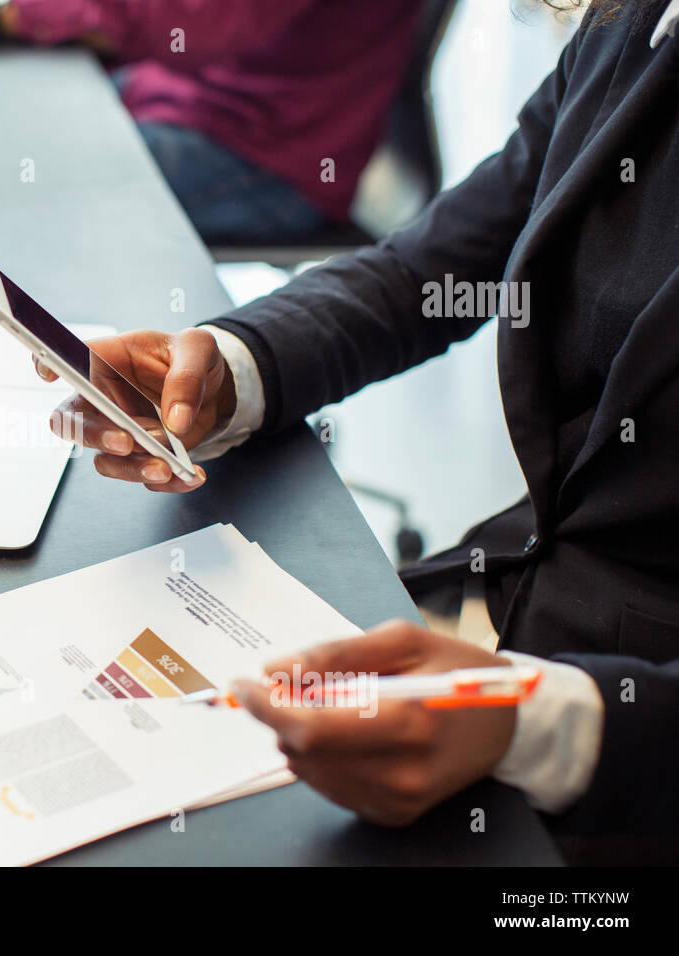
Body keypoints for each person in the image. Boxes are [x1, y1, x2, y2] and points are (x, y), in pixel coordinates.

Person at [34, 0, 679, 863]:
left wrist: (548, 726)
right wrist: (233, 367)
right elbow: (430, 267)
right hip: (510, 631)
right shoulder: (634, 30)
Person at [0, 0, 421, 242]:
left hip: (267, 150)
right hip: (179, 92)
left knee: (9, 193)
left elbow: (197, 23)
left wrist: (2, 12)